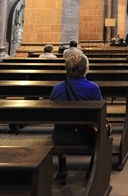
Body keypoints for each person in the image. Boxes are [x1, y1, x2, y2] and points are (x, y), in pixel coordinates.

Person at [50, 54, 103, 184]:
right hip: (85, 136)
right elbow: (100, 114)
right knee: (105, 131)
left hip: (59, 135)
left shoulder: (57, 88)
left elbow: (51, 111)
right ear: (85, 69)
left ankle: (62, 167)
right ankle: (92, 167)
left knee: (61, 125)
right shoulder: (92, 88)